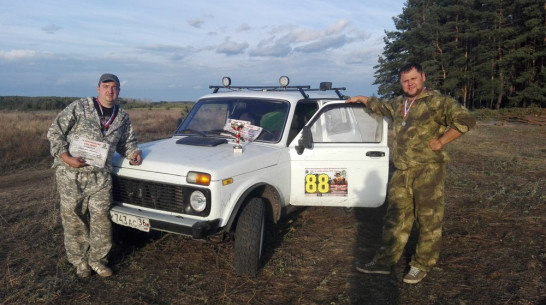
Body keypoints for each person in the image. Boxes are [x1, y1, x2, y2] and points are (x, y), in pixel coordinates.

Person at [346, 63, 475, 284]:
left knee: (428, 219)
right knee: (395, 218)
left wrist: (441, 141)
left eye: (414, 79)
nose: (410, 83)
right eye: (405, 80)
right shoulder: (399, 104)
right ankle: (385, 262)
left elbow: (466, 120)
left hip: (428, 170)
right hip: (402, 171)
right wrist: (363, 99)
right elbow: (381, 106)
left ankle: (421, 264)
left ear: (423, 77)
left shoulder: (437, 102)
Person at [47, 73, 142, 278]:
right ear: (98, 88)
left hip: (100, 177)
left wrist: (133, 153)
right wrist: (65, 157)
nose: (110, 91)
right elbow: (55, 132)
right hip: (72, 174)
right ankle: (80, 262)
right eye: (106, 86)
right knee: (74, 218)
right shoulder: (80, 107)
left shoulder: (122, 116)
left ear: (119, 90)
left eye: (115, 87)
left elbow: (127, 142)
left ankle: (98, 260)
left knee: (101, 220)